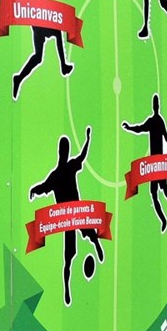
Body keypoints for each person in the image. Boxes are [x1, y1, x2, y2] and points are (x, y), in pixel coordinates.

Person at [27, 127, 103, 306]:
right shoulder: (60, 173)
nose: (64, 152)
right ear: (62, 151)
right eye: (64, 149)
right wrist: (34, 190)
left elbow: (82, 156)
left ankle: (97, 245)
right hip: (69, 219)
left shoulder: (66, 169)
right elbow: (43, 187)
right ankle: (67, 288)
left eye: (65, 149)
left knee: (87, 237)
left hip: (76, 214)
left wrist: (88, 139)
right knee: (69, 257)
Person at [11, 0, 74, 99]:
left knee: (38, 56)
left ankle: (19, 77)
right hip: (38, 16)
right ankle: (63, 66)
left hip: (39, 16)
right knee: (56, 34)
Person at [121, 94, 167, 233]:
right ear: (156, 106)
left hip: (157, 163)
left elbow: (166, 137)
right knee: (156, 193)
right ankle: (164, 219)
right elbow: (140, 129)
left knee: (162, 190)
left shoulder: (157, 121)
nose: (156, 106)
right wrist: (129, 128)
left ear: (156, 106)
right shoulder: (155, 121)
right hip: (153, 164)